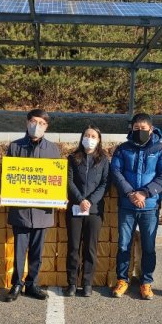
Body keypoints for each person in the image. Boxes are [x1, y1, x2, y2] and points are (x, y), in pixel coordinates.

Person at [110, 113, 162, 300]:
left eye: (143, 128)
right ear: (131, 129)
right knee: (123, 245)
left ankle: (146, 282)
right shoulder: (123, 149)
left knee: (149, 246)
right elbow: (116, 171)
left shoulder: (161, 149)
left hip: (150, 206)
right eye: (136, 128)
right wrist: (130, 193)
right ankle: (122, 280)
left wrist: (144, 193)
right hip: (127, 205)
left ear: (151, 129)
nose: (139, 131)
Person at [6, 109, 61, 302]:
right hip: (20, 210)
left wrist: (59, 197)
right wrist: (6, 193)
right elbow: (9, 176)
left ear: (47, 127)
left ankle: (32, 284)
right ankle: (16, 284)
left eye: (42, 123)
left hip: (42, 211)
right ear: (27, 122)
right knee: (19, 251)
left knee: (37, 251)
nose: (37, 126)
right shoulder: (15, 147)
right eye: (34, 122)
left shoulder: (53, 149)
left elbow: (57, 179)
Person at [65, 125, 110, 297]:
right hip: (75, 209)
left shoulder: (103, 160)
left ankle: (87, 283)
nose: (89, 139)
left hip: (94, 211)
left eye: (93, 136)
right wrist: (80, 200)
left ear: (98, 140)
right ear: (82, 137)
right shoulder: (72, 158)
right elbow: (69, 181)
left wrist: (90, 201)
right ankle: (72, 283)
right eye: (87, 135)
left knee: (90, 248)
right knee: (73, 247)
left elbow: (105, 184)